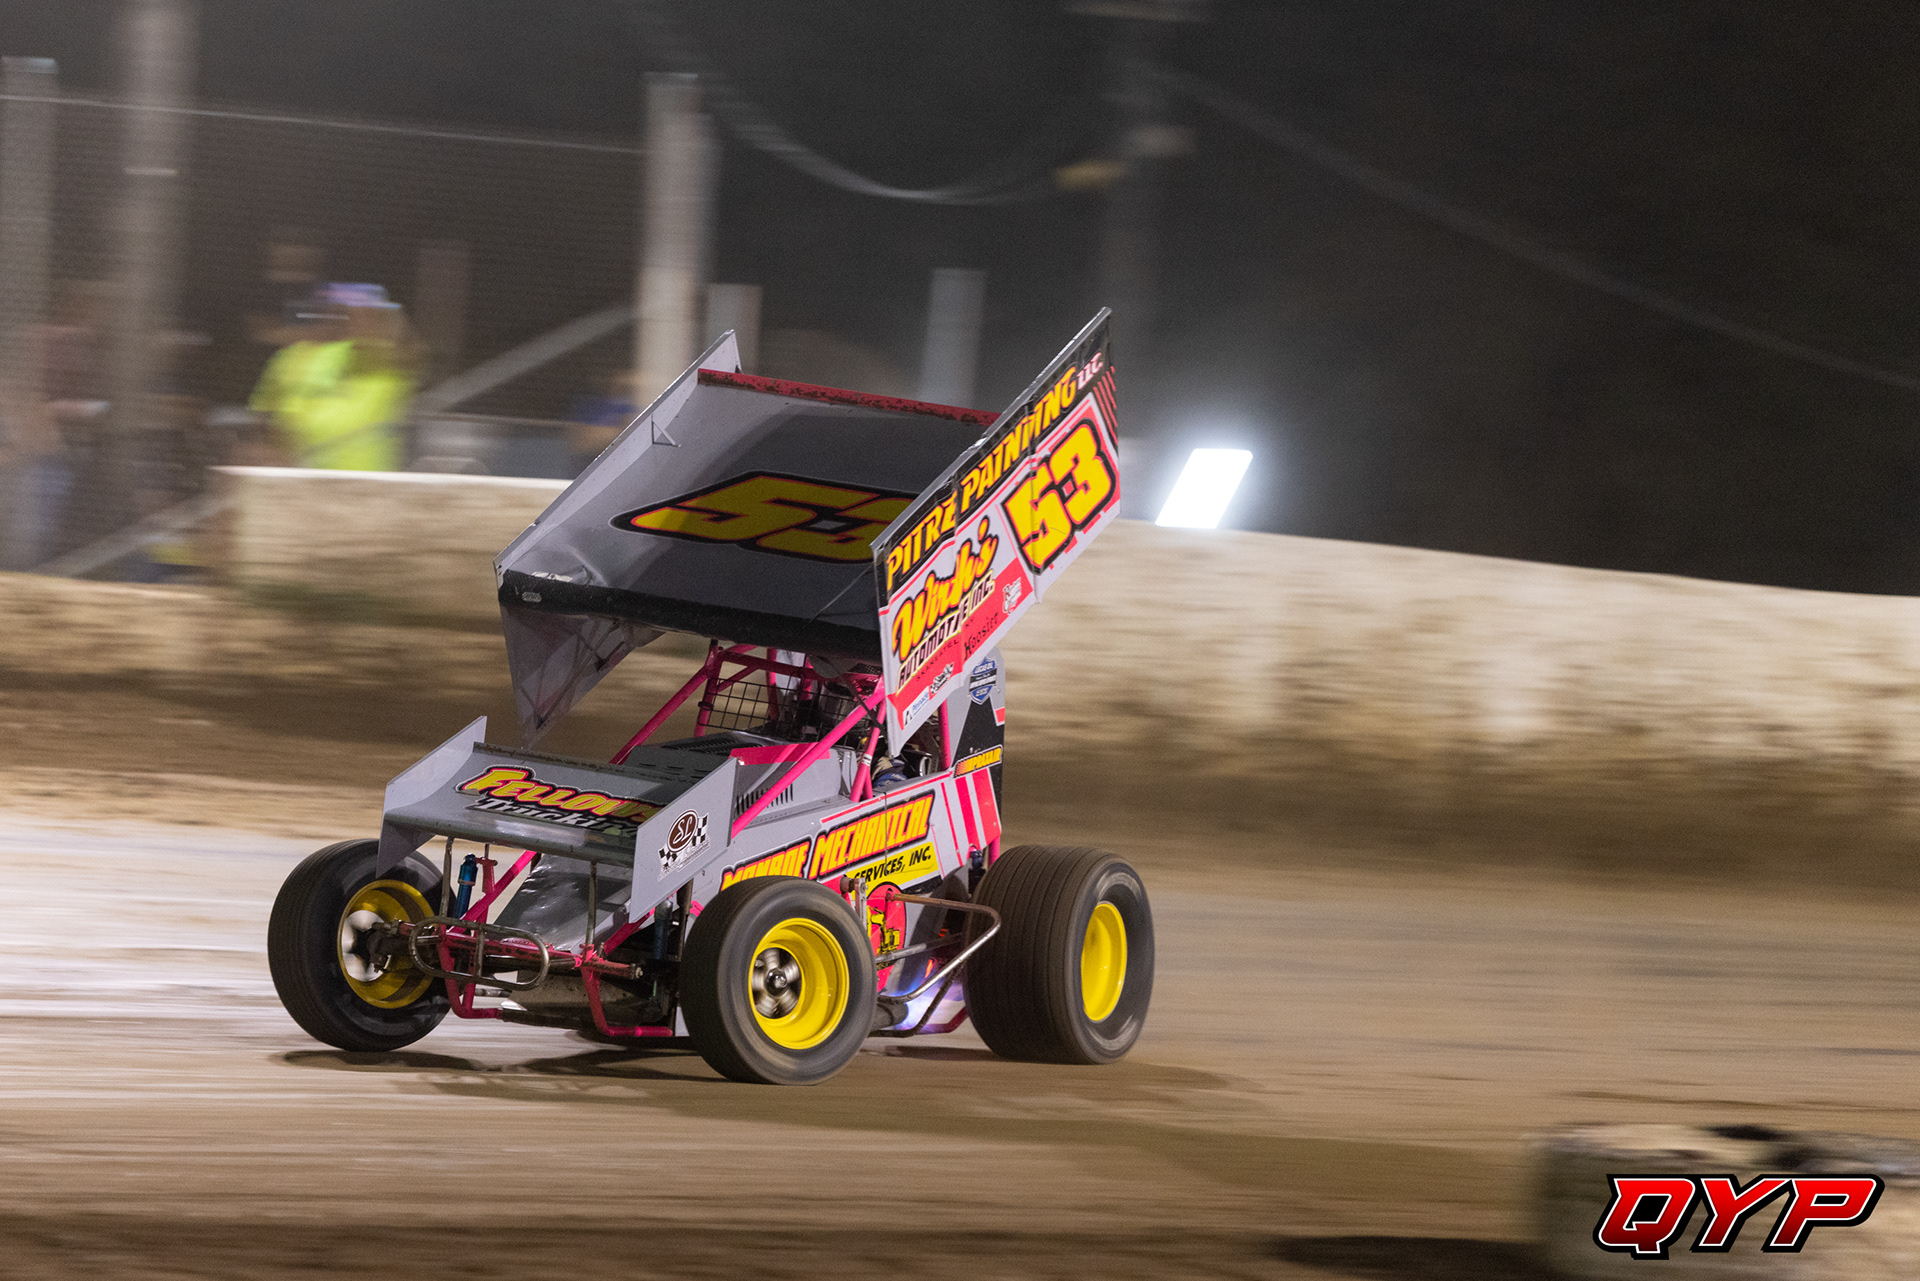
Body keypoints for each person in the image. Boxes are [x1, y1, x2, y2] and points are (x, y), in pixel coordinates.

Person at [248, 283, 417, 470]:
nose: (358, 321)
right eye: (347, 314)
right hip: (304, 480)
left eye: (370, 316)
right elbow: (271, 417)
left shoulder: (393, 369)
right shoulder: (298, 359)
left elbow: (406, 349)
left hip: (369, 485)